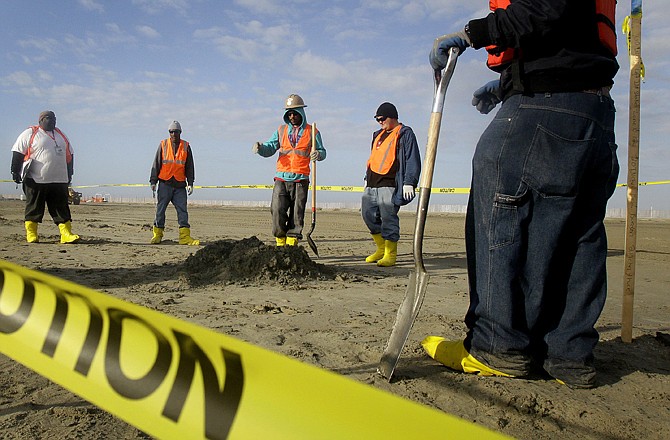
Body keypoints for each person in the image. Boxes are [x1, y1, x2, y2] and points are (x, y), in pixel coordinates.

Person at [423, 1, 619, 389]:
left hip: (543, 108)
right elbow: (571, 33)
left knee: (501, 216)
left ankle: (497, 346)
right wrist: (508, 83)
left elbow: (548, 7)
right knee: (577, 231)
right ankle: (569, 355)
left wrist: (472, 34)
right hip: (594, 110)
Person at [252, 94, 326, 246]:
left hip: (301, 178)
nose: (292, 116)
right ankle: (280, 240)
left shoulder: (312, 131)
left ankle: (292, 242)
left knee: (297, 213)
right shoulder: (281, 130)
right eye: (289, 113)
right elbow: (270, 148)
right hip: (281, 177)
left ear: (301, 113)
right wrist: (260, 148)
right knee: (276, 209)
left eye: (295, 113)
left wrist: (318, 154)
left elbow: (322, 151)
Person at [362, 102, 421, 267]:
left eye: (382, 118)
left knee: (388, 217)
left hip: (390, 184)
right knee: (367, 214)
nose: (380, 122)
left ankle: (390, 253)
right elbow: (373, 158)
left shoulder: (405, 133)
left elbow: (412, 159)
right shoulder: (377, 135)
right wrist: (366, 177)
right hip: (372, 183)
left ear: (392, 116)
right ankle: (381, 248)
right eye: (377, 119)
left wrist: (410, 182)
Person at [10, 110, 80, 244]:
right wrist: (15, 170)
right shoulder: (30, 133)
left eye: (54, 118)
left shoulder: (61, 135)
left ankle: (66, 234)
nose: (51, 121)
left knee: (61, 207)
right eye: (47, 118)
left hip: (59, 179)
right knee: (34, 206)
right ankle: (32, 233)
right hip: (36, 179)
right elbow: (18, 152)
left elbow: (69, 155)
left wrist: (69, 173)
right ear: (40, 120)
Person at [149, 120, 199, 245]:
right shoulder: (163, 145)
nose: (173, 134)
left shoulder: (186, 146)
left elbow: (189, 166)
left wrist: (191, 183)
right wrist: (153, 181)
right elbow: (157, 163)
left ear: (180, 132)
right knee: (160, 210)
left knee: (182, 211)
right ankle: (157, 234)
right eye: (171, 132)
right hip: (165, 184)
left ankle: (184, 237)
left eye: (176, 132)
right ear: (169, 133)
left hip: (179, 186)